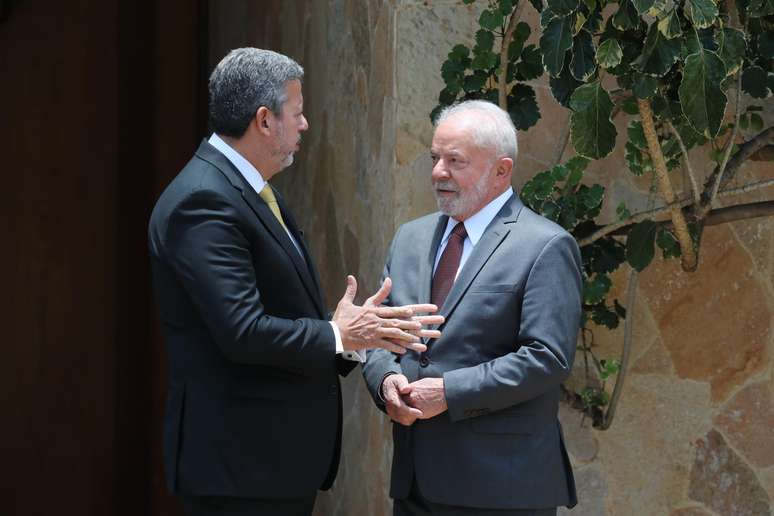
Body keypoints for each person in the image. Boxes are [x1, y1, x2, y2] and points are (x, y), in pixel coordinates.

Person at [148, 48, 441, 516]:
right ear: (265, 120)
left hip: (268, 467)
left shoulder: (253, 189)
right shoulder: (204, 200)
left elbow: (278, 319)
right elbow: (242, 331)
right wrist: (338, 333)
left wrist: (349, 336)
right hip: (237, 470)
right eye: (298, 113)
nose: (305, 125)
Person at [363, 100, 583, 516]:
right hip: (413, 484)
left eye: (455, 161)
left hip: (500, 488)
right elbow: (380, 333)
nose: (437, 172)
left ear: (502, 170)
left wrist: (449, 392)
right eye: (434, 158)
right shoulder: (409, 238)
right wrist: (385, 380)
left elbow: (547, 357)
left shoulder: (545, 246)